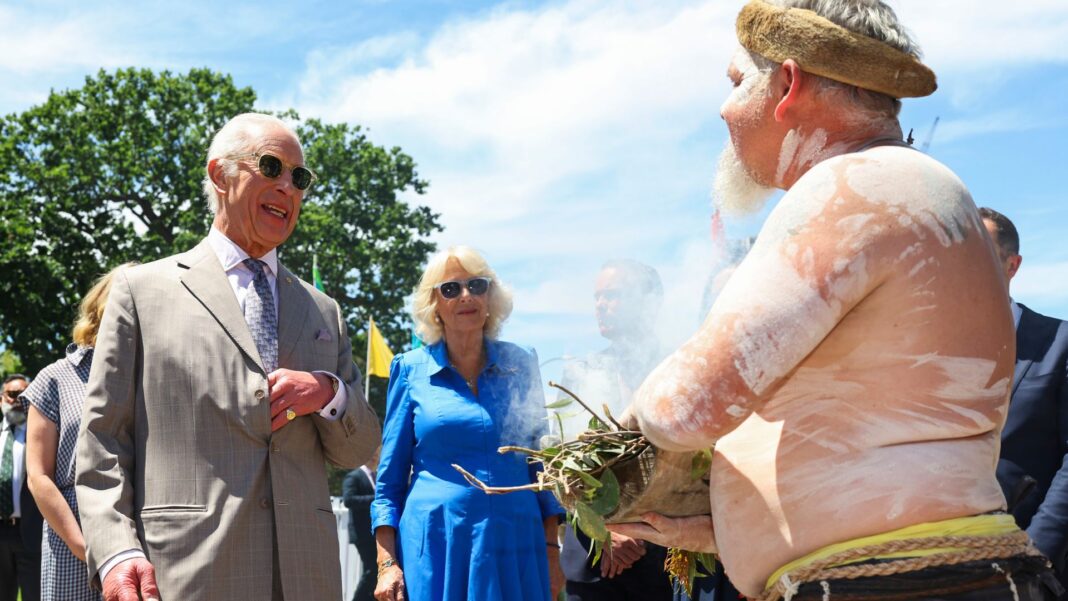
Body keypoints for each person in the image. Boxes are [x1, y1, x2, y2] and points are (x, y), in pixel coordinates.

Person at [610, 1, 1060, 599]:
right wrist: (733, 525)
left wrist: (621, 432)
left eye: (737, 82)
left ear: (788, 84)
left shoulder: (856, 185)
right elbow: (871, 440)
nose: (724, 108)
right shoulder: (911, 186)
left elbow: (685, 408)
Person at [75, 112, 381, 601]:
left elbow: (355, 448)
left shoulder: (324, 310)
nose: (289, 187)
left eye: (299, 178)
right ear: (221, 175)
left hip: (307, 578)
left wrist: (329, 393)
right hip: (186, 574)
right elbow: (103, 442)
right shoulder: (141, 291)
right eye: (272, 167)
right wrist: (116, 551)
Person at [371, 246, 564, 601]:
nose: (466, 296)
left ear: (491, 296)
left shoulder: (521, 363)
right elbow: (389, 483)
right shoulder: (409, 368)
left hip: (517, 544)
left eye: (477, 285)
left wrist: (552, 552)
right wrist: (387, 564)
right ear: (435, 305)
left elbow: (542, 466)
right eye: (451, 289)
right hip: (438, 546)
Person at [553, 260, 673, 601]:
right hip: (596, 564)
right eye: (597, 297)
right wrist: (603, 531)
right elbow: (560, 471)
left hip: (666, 561)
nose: (600, 306)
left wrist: (647, 532)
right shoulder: (580, 374)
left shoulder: (677, 369)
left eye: (613, 295)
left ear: (649, 300)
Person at [22, 266, 126, 601]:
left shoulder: (155, 378)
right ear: (102, 309)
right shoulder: (54, 378)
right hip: (72, 538)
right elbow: (39, 476)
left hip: (141, 537)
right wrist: (84, 547)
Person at [980, 208, 1068, 594]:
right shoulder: (923, 353)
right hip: (937, 567)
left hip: (1034, 569)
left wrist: (1036, 551)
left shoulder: (1059, 344)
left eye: (980, 256)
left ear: (1012, 265)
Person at [0, 374, 41, 601]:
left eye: (24, 395)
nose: (18, 400)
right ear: (1, 399)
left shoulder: (41, 437)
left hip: (31, 531)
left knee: (34, 596)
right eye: (13, 394)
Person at [343, 449, 380, 601]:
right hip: (362, 533)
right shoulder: (354, 476)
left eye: (377, 454)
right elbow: (348, 500)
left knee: (375, 571)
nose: (374, 457)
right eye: (371, 454)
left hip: (374, 533)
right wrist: (375, 499)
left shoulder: (377, 477)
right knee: (372, 570)